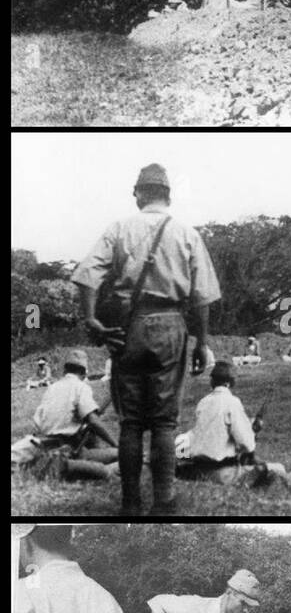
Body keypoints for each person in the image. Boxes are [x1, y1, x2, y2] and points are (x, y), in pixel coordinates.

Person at [71, 162, 221, 516]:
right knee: (165, 422)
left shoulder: (119, 228)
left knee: (132, 423)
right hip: (171, 325)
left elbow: (86, 275)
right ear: (168, 195)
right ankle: (164, 501)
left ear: (138, 193)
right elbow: (201, 297)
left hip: (129, 328)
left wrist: (92, 317)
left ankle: (130, 502)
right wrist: (201, 342)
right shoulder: (187, 233)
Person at [11, 349, 119, 477]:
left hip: (53, 445)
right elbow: (93, 420)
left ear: (64, 371)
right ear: (84, 373)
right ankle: (132, 458)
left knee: (112, 455)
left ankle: (129, 455)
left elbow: (38, 421)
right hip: (61, 452)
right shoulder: (80, 387)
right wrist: (116, 444)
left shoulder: (52, 388)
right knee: (104, 470)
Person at [175, 359, 257, 481]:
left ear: (212, 382)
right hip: (222, 471)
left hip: (198, 469)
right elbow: (247, 444)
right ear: (229, 383)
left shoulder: (203, 402)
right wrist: (253, 431)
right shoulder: (232, 402)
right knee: (277, 469)